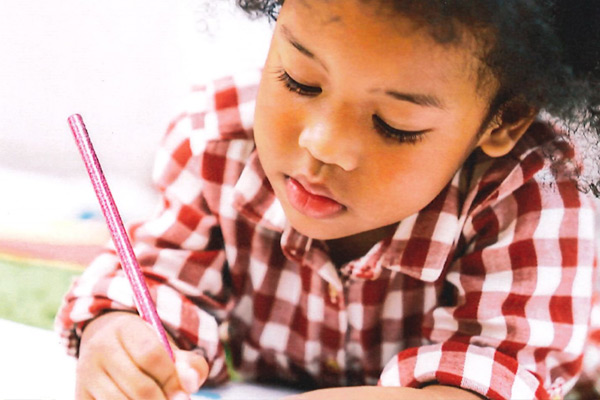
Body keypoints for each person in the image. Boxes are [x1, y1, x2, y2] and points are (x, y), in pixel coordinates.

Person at [56, 0, 600, 399]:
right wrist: (121, 335)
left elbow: (494, 382)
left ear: (503, 121)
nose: (322, 144)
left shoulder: (533, 197)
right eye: (299, 81)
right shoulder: (217, 142)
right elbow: (158, 277)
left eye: (394, 124)